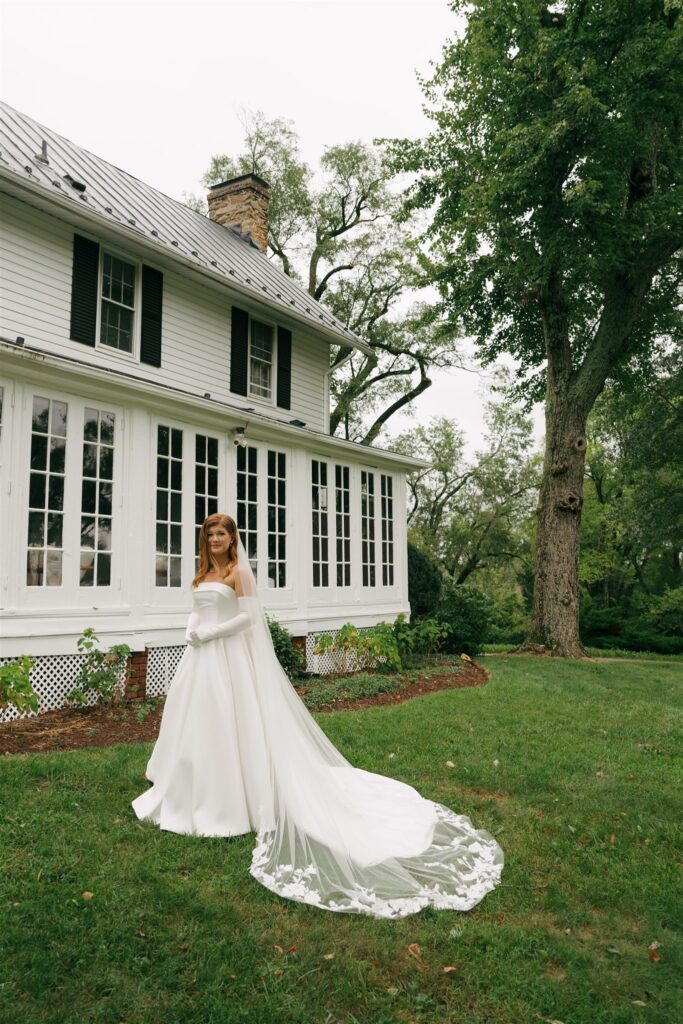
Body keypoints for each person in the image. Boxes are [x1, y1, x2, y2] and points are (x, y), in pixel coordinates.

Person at [133, 513, 503, 918]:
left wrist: (212, 633)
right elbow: (197, 608)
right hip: (199, 656)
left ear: (232, 538)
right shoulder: (202, 572)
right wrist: (192, 629)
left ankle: (236, 794)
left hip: (228, 654)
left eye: (221, 533)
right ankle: (187, 784)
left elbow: (247, 618)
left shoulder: (240, 572)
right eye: (210, 534)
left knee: (230, 720)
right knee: (196, 719)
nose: (216, 539)